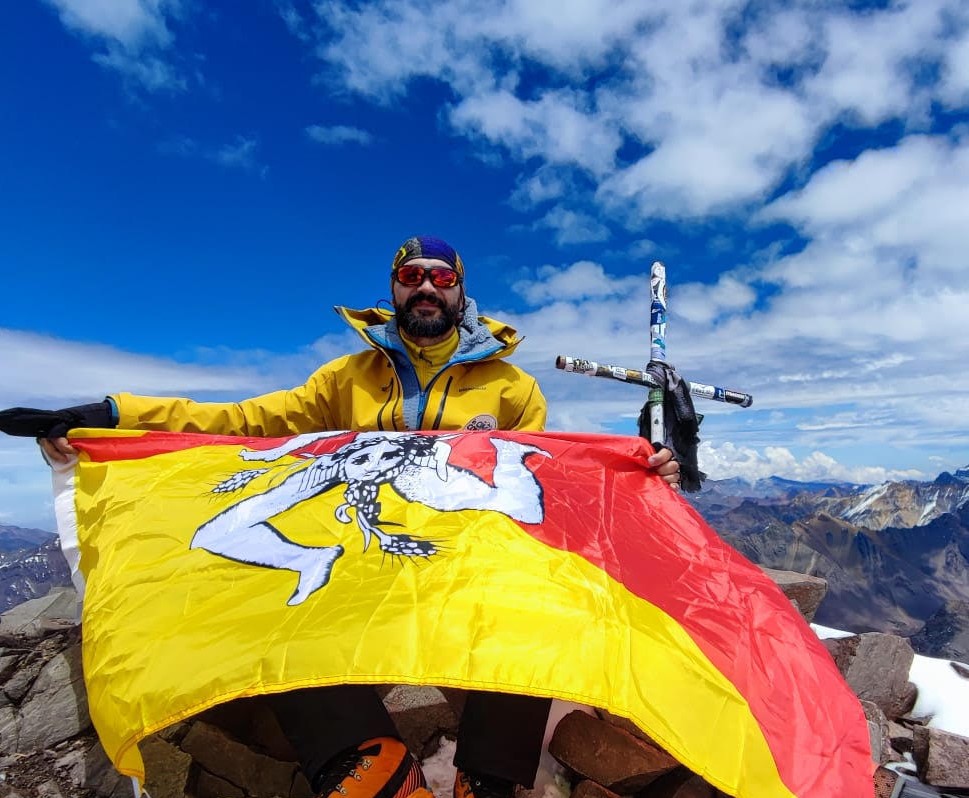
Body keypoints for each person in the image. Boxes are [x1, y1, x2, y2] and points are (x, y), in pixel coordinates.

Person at [1, 236, 681, 798]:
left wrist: (635, 472)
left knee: (530, 615)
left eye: (439, 277)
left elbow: (539, 471)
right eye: (410, 275)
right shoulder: (343, 380)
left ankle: (490, 782)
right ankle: (374, 769)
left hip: (466, 560)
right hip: (361, 558)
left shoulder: (511, 389)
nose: (424, 287)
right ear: (393, 290)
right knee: (277, 597)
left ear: (459, 292)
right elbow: (241, 423)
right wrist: (114, 418)